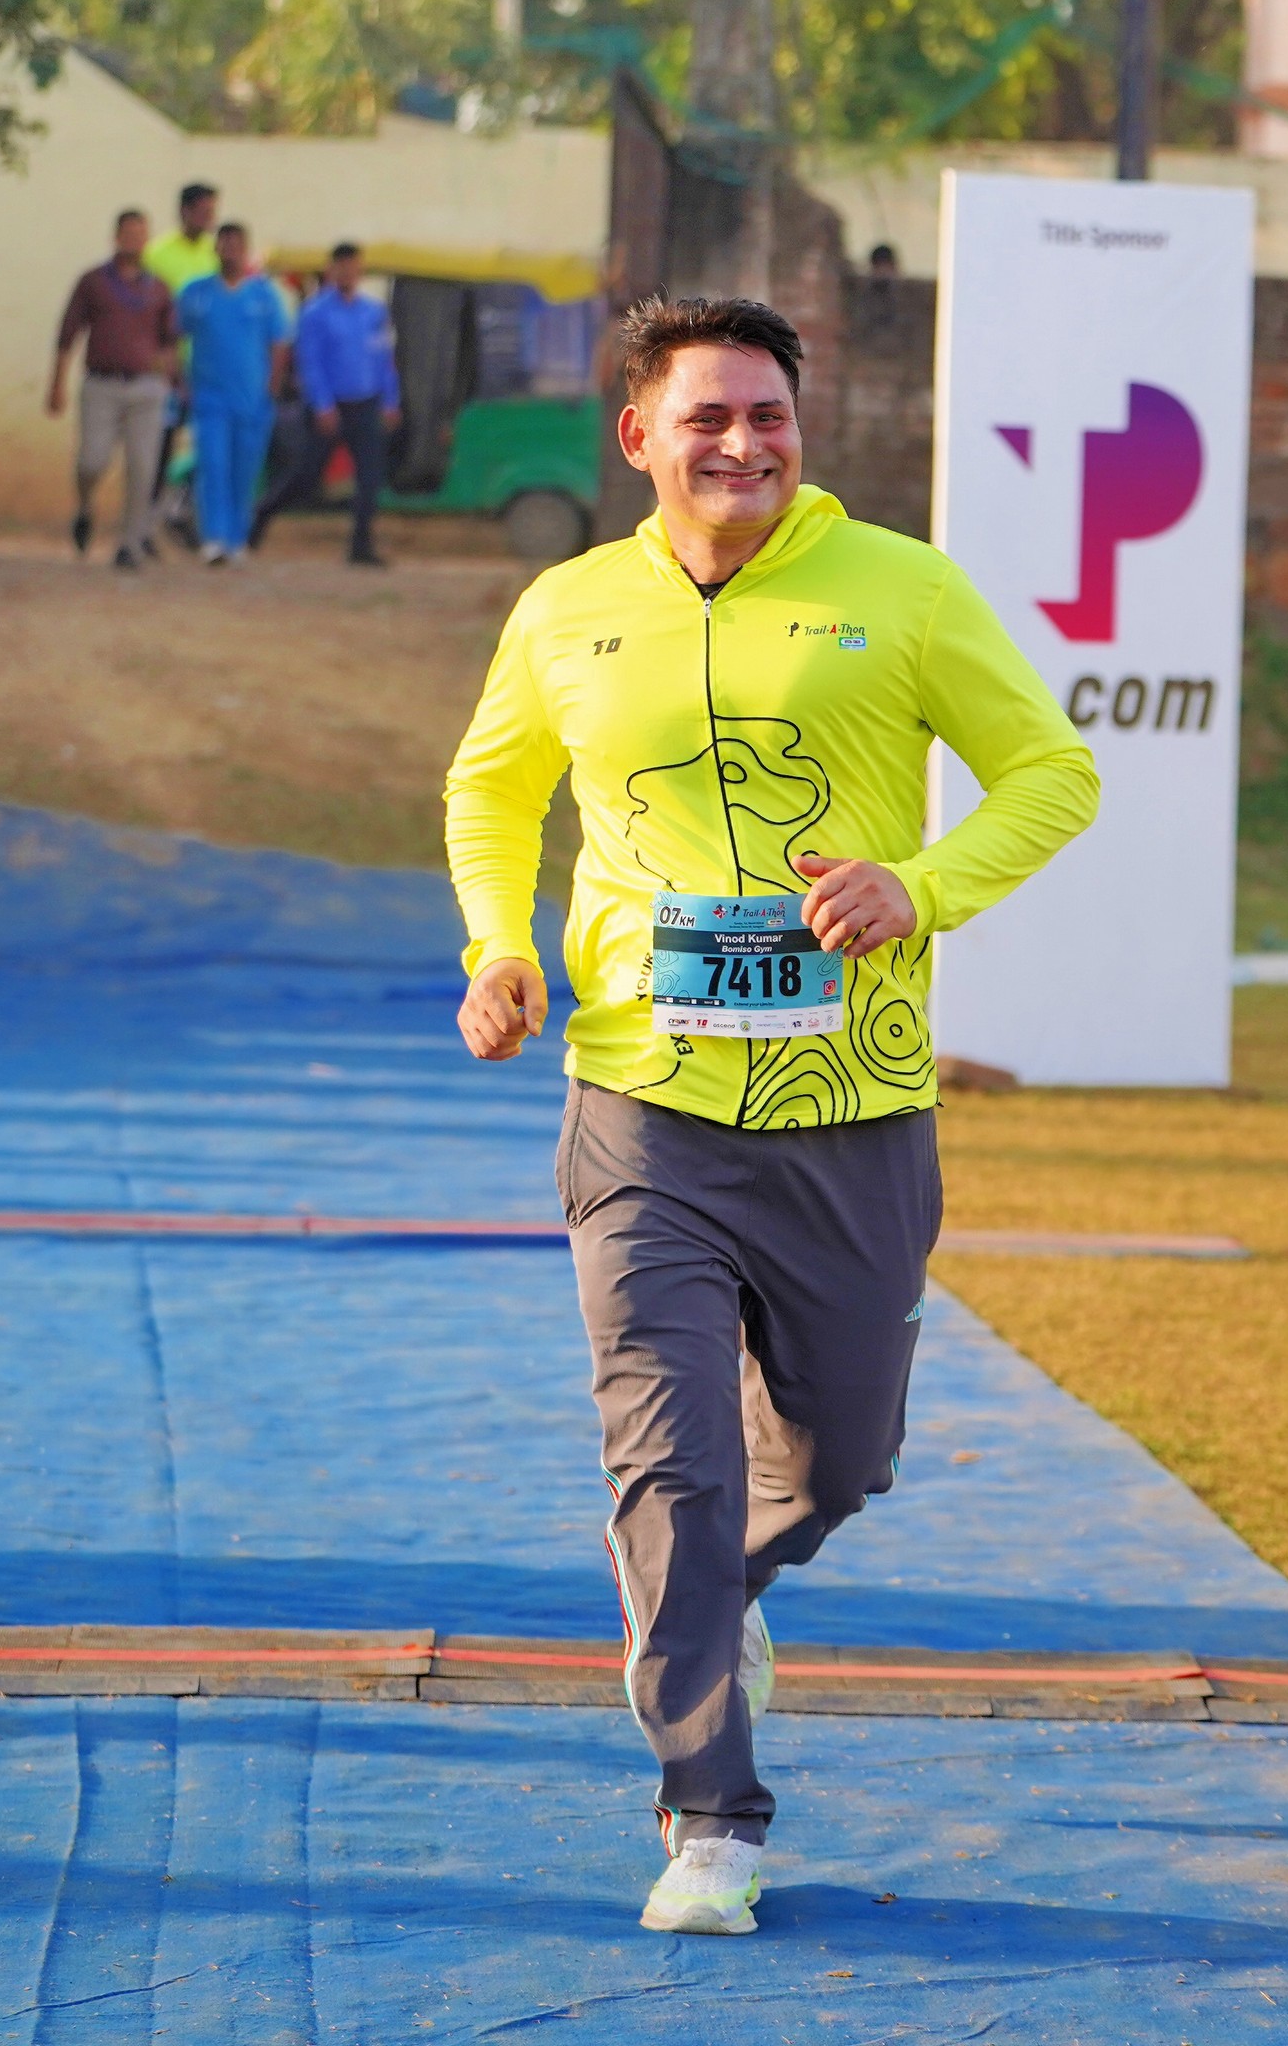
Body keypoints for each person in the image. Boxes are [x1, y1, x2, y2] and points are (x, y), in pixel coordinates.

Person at [444, 295, 1099, 1937]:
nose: (743, 443)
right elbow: (493, 788)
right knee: (669, 1464)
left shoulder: (904, 587)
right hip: (641, 1105)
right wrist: (499, 946)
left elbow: (1052, 775)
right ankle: (711, 1818)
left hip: (853, 1108)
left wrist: (919, 885)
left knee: (844, 1453)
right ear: (638, 438)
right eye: (708, 417)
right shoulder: (567, 607)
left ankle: (716, 1589)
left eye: (769, 416)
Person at [46, 209, 179, 567]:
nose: (134, 240)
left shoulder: (159, 287)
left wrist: (168, 374)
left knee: (142, 467)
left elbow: (170, 339)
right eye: (128, 233)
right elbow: (67, 334)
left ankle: (130, 544)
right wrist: (56, 384)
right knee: (92, 459)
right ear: (116, 236)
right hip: (102, 384)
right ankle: (85, 506)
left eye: (141, 233)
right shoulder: (93, 282)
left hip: (146, 388)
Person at [175, 221, 292, 565]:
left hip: (252, 401)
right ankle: (214, 538)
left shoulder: (264, 295)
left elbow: (279, 342)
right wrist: (182, 382)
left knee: (245, 471)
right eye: (224, 243)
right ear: (216, 248)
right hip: (210, 398)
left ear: (246, 249)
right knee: (213, 466)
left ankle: (237, 538)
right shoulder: (196, 293)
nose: (230, 250)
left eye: (237, 244)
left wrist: (271, 386)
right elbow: (174, 338)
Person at [291, 242, 401, 567]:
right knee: (307, 473)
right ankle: (261, 517)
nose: (348, 273)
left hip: (366, 402)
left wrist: (390, 400)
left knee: (369, 476)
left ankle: (361, 546)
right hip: (332, 405)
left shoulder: (373, 312)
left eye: (353, 267)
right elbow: (311, 362)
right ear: (331, 270)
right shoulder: (315, 313)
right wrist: (322, 404)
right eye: (342, 267)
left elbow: (383, 358)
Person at [146, 183, 225, 544]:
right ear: (184, 211)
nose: (209, 218)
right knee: (160, 446)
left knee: (210, 447)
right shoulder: (157, 255)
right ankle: (144, 526)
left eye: (213, 211)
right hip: (167, 368)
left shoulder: (217, 254)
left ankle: (185, 512)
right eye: (204, 211)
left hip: (209, 370)